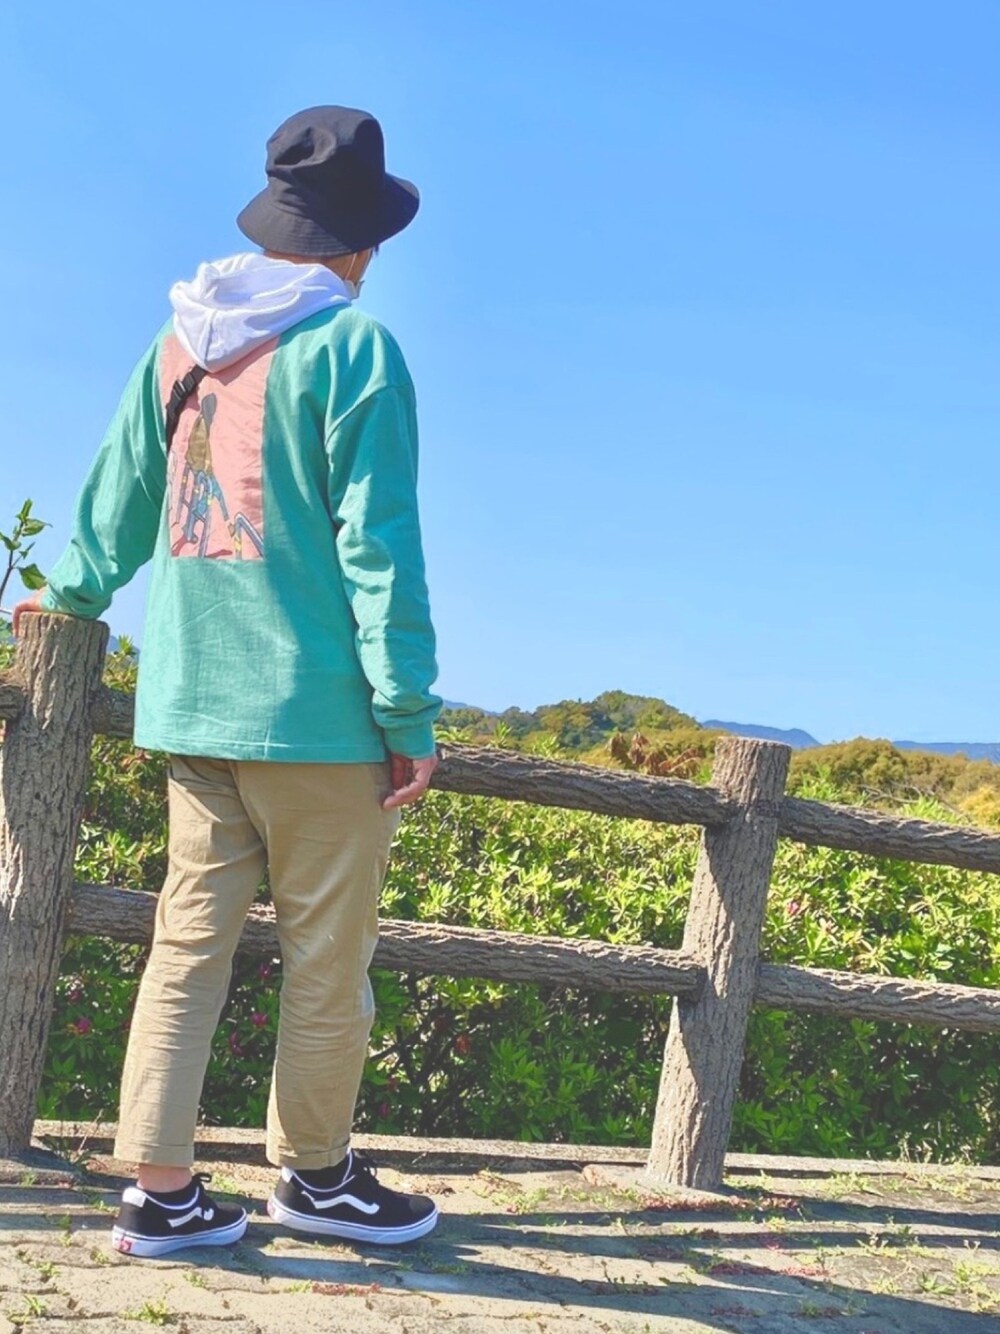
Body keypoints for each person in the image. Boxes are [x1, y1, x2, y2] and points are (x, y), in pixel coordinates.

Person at [13, 105, 443, 1258]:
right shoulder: (353, 349)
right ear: (360, 242)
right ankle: (317, 1177)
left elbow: (116, 498)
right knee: (327, 962)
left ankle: (160, 1194)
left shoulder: (183, 341)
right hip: (321, 718)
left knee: (186, 949)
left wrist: (68, 595)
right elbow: (379, 546)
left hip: (194, 704)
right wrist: (407, 708)